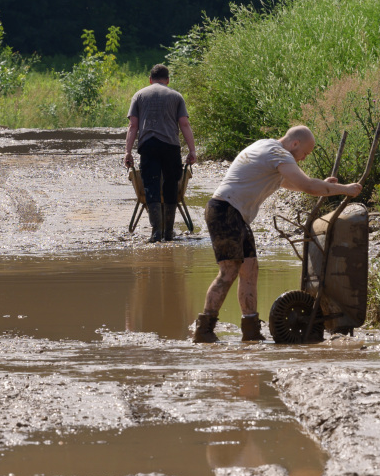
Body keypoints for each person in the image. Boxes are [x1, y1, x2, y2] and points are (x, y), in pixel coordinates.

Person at [193, 125, 361, 343]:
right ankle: (204, 329)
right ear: (295, 144)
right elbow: (307, 186)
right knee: (229, 271)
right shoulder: (277, 152)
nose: (302, 159)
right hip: (225, 211)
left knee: (250, 269)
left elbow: (289, 182)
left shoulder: (267, 147)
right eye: (304, 153)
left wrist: (322, 185)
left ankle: (250, 329)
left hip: (234, 214)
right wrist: (345, 189)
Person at [124, 64, 197, 242]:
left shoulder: (139, 95)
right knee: (171, 184)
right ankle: (169, 233)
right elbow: (184, 125)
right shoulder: (176, 96)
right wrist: (192, 150)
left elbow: (133, 126)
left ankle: (156, 233)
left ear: (150, 79)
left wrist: (128, 152)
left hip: (148, 145)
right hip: (170, 145)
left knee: (150, 184)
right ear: (168, 80)